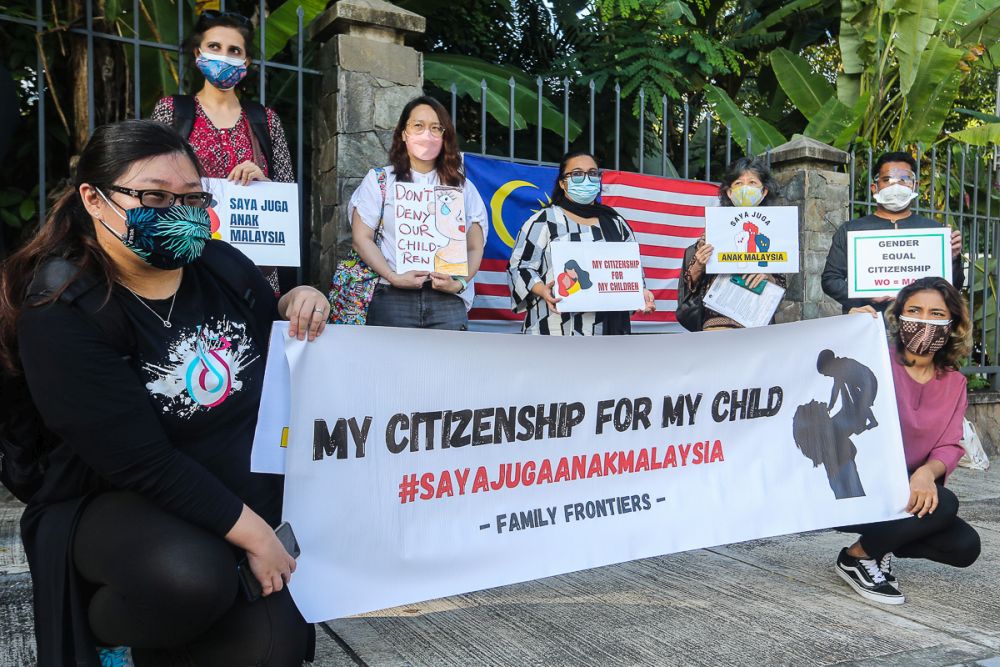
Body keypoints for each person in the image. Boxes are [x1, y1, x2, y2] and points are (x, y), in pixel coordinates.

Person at [0, 120, 329, 665]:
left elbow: (278, 353)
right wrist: (256, 535)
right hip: (113, 499)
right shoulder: (62, 307)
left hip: (225, 489)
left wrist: (302, 296)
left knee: (279, 648)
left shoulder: (222, 266)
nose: (178, 211)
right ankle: (114, 635)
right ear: (94, 199)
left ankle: (171, 636)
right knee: (187, 578)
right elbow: (141, 462)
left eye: (193, 198)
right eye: (154, 196)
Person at [835, 277, 981, 605]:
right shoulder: (874, 360)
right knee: (945, 504)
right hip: (858, 486)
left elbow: (949, 443)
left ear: (952, 324)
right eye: (914, 310)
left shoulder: (954, 382)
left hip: (905, 491)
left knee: (965, 546)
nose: (923, 321)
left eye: (935, 313)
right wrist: (848, 332)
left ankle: (875, 546)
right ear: (898, 316)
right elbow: (826, 372)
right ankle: (858, 557)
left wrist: (926, 473)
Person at [150, 10, 294, 296]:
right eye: (214, 47)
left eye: (234, 50)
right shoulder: (172, 111)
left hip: (254, 265)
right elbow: (151, 183)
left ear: (246, 61)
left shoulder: (265, 120)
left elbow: (286, 192)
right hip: (188, 253)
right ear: (197, 53)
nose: (223, 57)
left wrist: (263, 183)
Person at [349, 96, 488, 330]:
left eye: (436, 128)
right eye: (418, 126)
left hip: (446, 301)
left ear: (445, 136)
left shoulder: (462, 187)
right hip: (392, 296)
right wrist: (393, 276)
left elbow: (475, 246)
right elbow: (361, 239)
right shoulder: (380, 181)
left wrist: (460, 284)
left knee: (447, 366)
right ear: (403, 133)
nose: (427, 135)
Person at [507, 150, 655, 335]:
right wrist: (542, 290)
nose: (586, 179)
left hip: (606, 335)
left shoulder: (617, 224)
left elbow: (631, 272)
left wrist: (640, 293)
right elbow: (520, 267)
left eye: (592, 173)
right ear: (562, 183)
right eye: (577, 174)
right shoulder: (544, 220)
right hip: (553, 330)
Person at [822, 151, 964, 313]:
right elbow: (830, 280)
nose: (896, 186)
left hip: (919, 322)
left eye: (904, 179)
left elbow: (955, 285)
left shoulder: (934, 232)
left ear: (914, 185)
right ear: (875, 188)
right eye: (887, 179)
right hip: (869, 321)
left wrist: (953, 258)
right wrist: (864, 296)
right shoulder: (851, 230)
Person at [677, 157, 787, 331]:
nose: (745, 188)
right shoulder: (715, 230)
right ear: (729, 192)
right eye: (738, 183)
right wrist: (699, 263)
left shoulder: (773, 234)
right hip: (717, 322)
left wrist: (768, 276)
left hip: (755, 320)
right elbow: (690, 283)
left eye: (752, 182)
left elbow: (780, 284)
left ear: (764, 191)